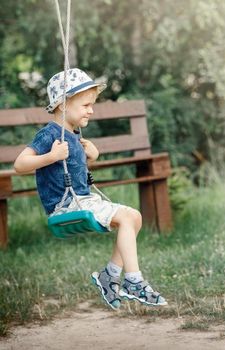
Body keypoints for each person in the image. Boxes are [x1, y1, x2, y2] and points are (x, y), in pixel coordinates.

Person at [14, 68, 168, 310]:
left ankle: (110, 275)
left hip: (84, 199)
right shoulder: (50, 133)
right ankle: (133, 281)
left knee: (135, 218)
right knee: (128, 218)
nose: (91, 110)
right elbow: (20, 164)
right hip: (66, 205)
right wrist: (51, 156)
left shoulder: (75, 135)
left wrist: (91, 156)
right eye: (86, 105)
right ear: (63, 105)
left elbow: (72, 167)